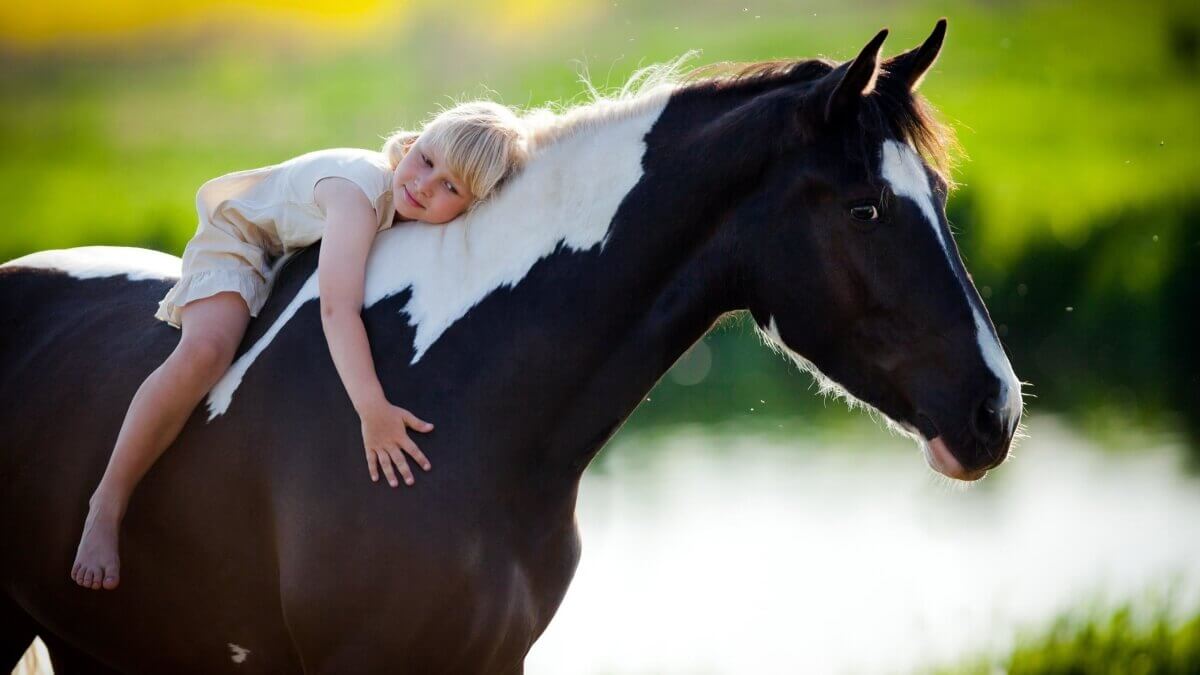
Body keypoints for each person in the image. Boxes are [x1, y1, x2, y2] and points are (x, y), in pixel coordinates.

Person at [70, 101, 529, 591]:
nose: (424, 185)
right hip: (243, 243)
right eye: (427, 162)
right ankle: (107, 503)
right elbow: (337, 309)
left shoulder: (408, 202)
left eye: (450, 188)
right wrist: (371, 408)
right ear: (412, 145)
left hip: (295, 257)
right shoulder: (357, 197)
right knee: (206, 352)